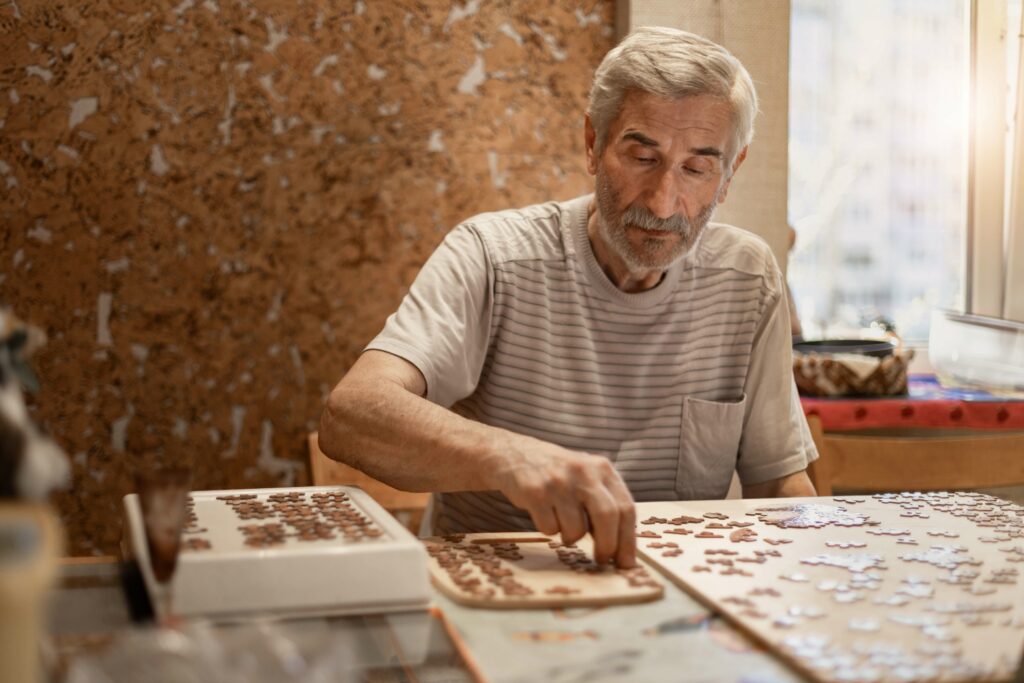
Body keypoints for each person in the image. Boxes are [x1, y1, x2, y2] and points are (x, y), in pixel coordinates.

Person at [319, 27, 818, 569]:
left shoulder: (748, 276)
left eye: (696, 169)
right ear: (592, 143)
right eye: (642, 157)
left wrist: (821, 576)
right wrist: (508, 454)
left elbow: (778, 482)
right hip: (497, 591)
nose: (663, 201)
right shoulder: (493, 255)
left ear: (728, 174)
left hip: (677, 600)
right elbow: (351, 416)